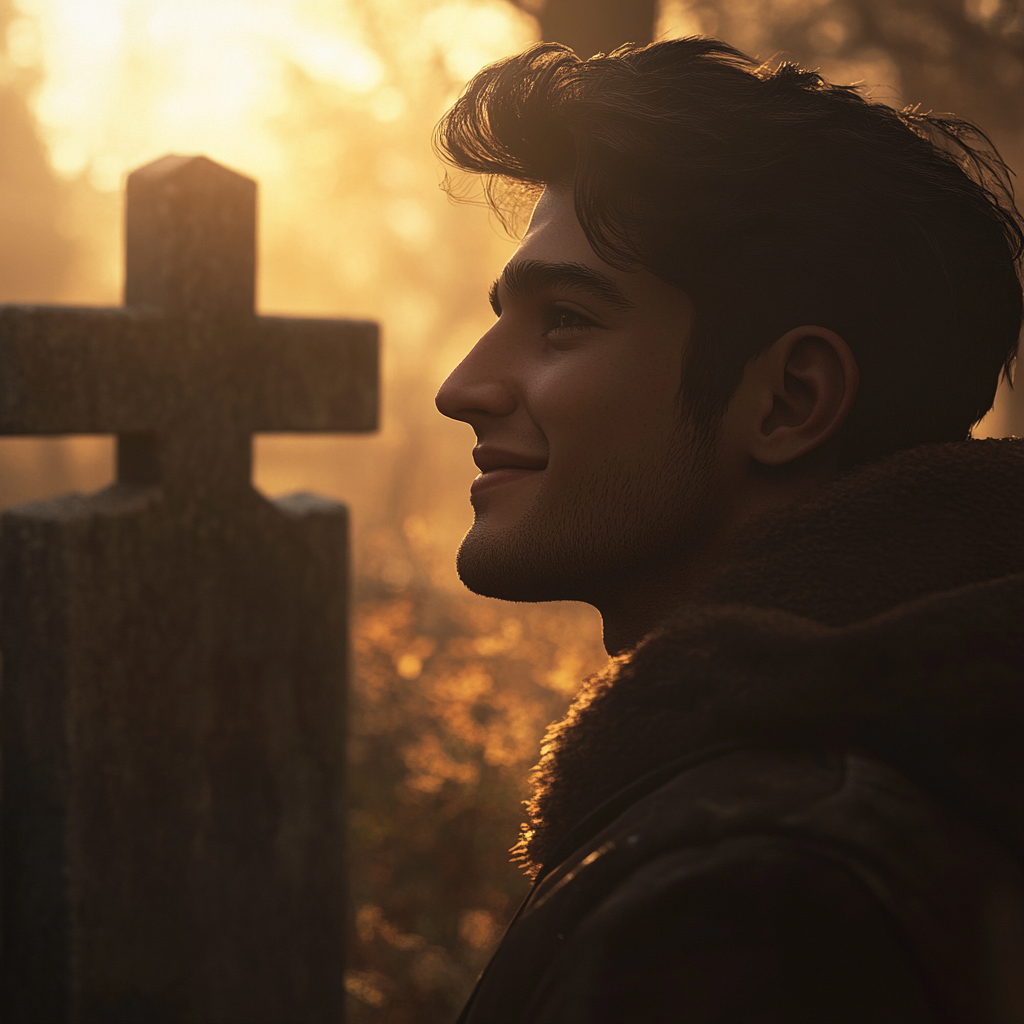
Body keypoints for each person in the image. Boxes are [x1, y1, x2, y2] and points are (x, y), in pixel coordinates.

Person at [434, 38, 1024, 1024]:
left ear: (790, 399)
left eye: (567, 319)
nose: (463, 389)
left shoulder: (760, 889)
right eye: (504, 315)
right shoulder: (828, 798)